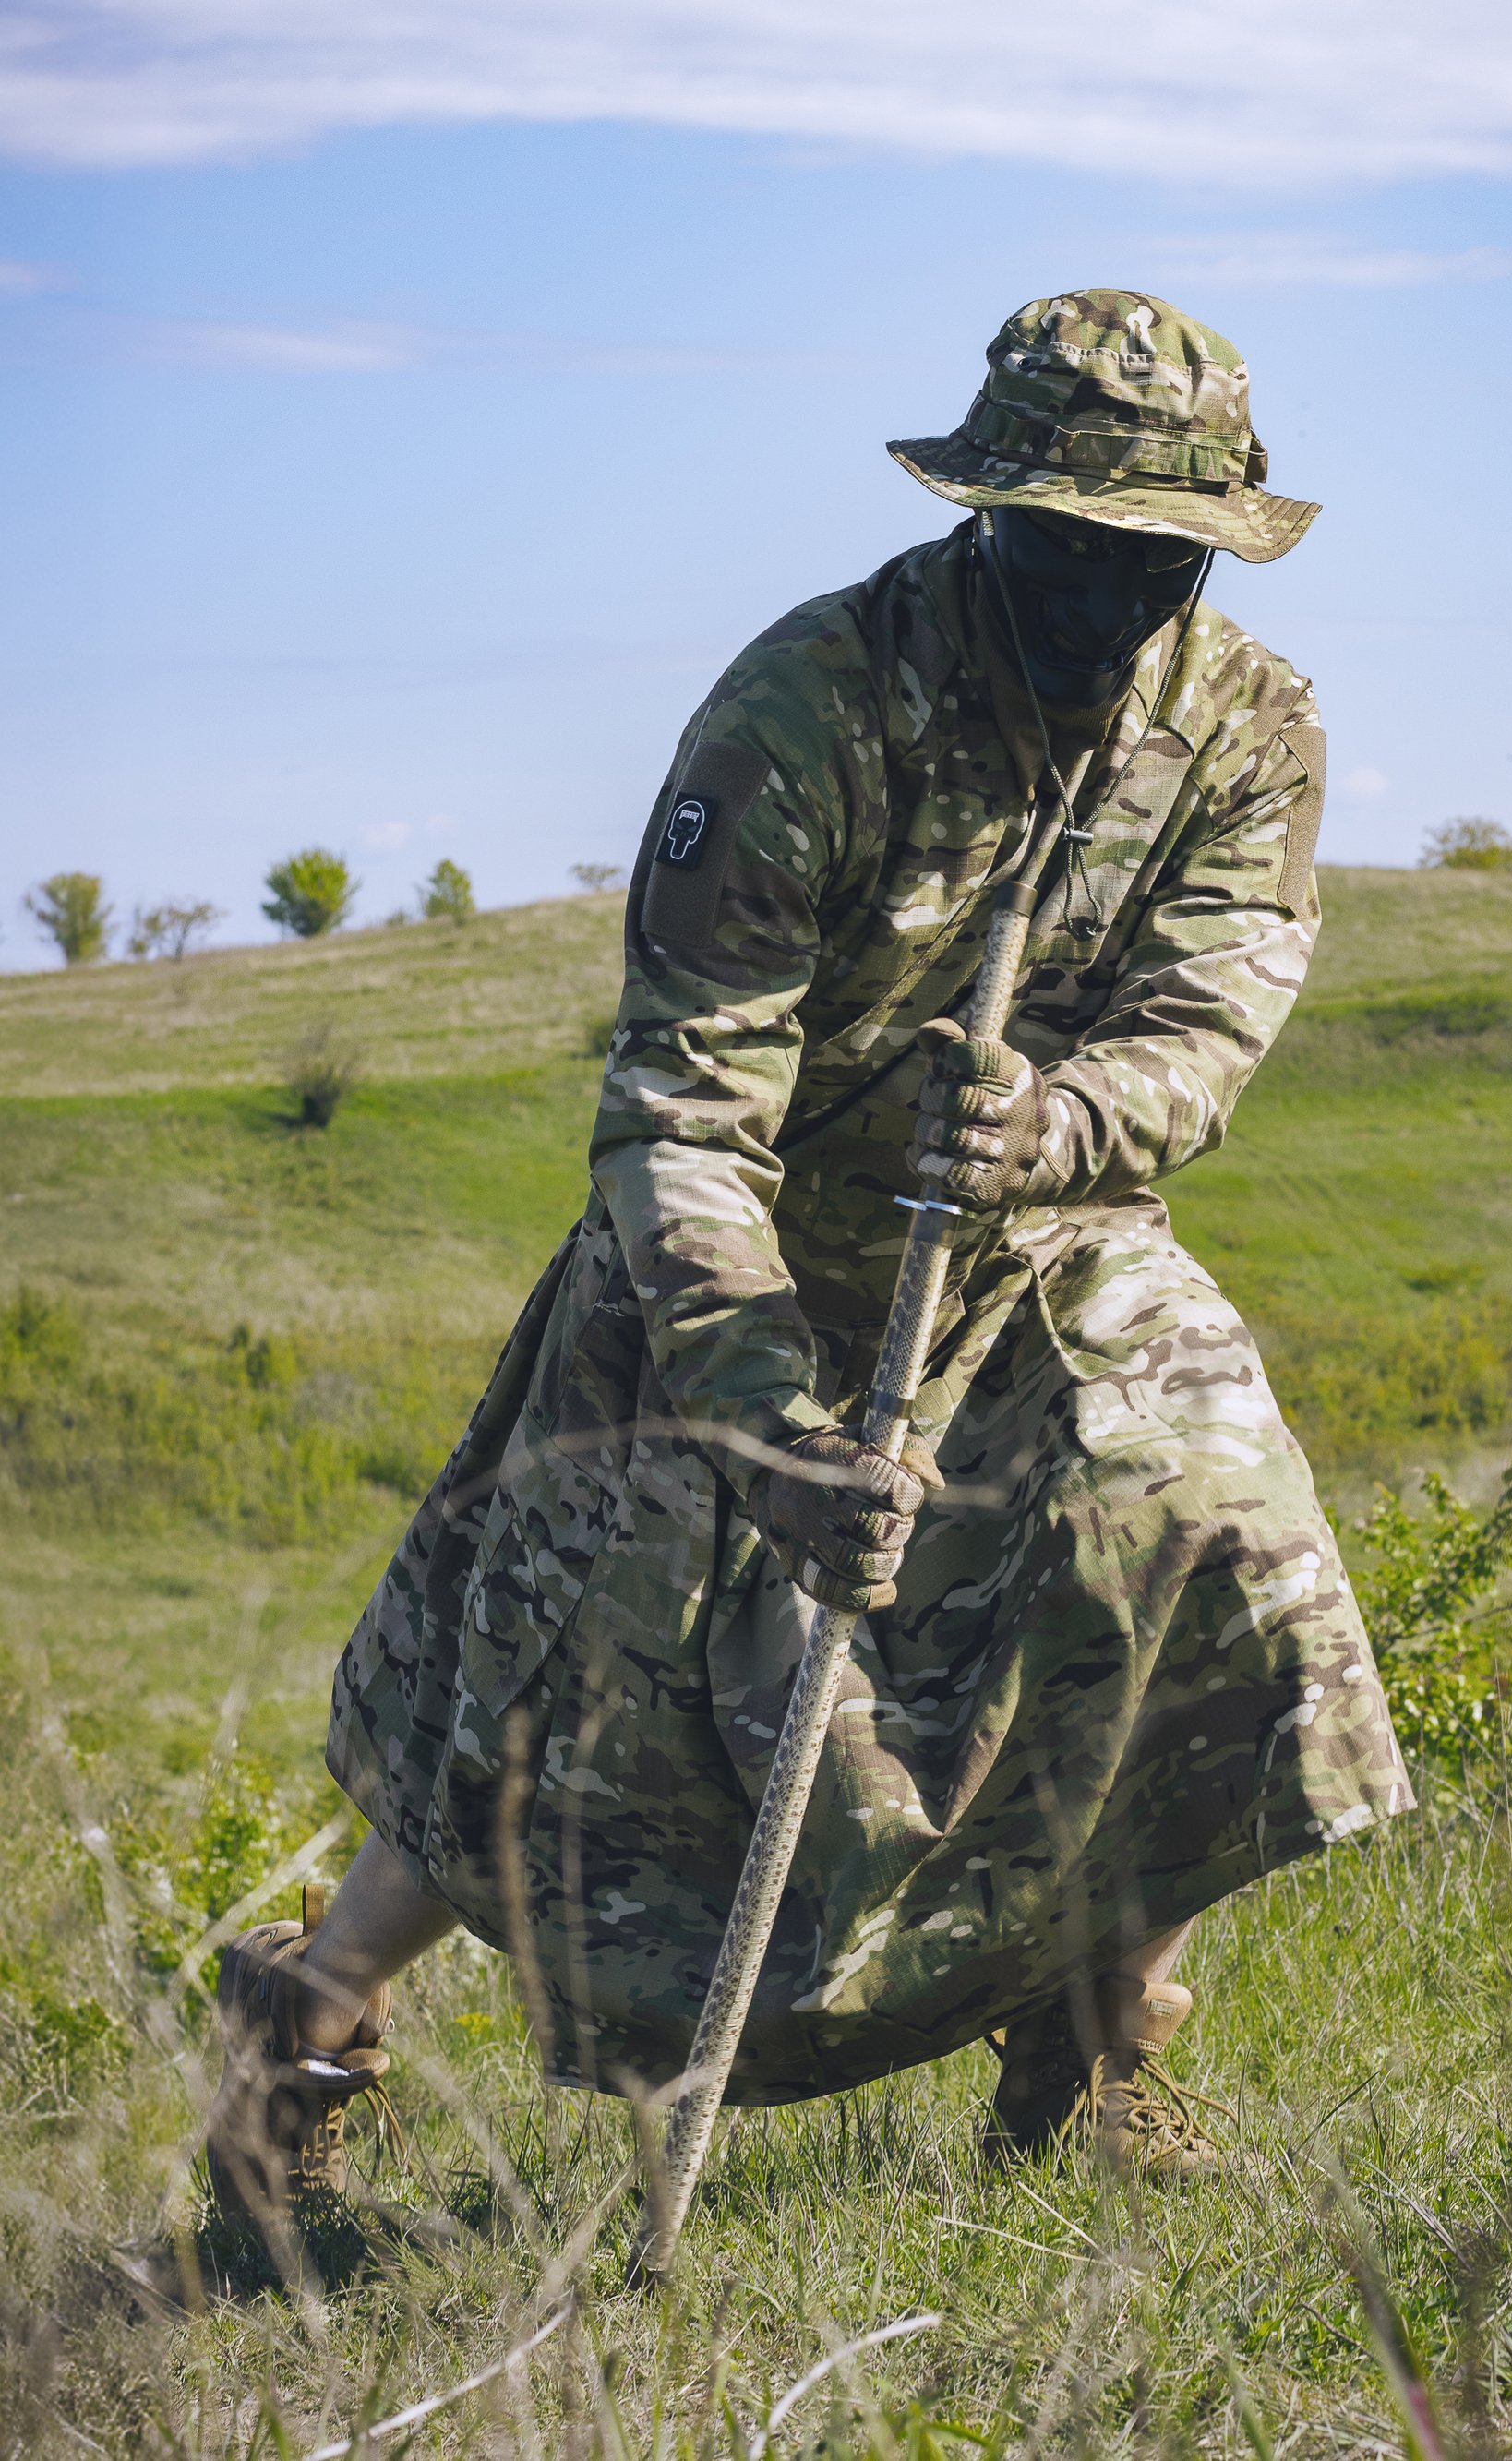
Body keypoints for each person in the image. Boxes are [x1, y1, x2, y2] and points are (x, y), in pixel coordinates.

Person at [206, 289, 1413, 2220]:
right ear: (990, 517)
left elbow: (1209, 1021)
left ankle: (1105, 2047)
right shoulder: (814, 703)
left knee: (1220, 1541)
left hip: (1041, 1230)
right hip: (743, 1255)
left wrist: (1053, 1127)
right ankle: (304, 2038)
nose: (1109, 597)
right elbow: (683, 1102)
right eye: (1067, 546)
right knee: (548, 1678)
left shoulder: (1248, 725)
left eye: (1157, 554)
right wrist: (764, 1416)